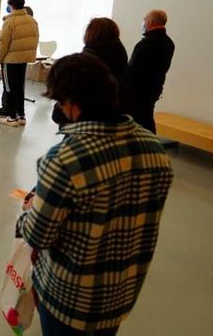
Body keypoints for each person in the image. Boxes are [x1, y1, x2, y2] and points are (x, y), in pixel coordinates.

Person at [15, 53, 173, 335]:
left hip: (70, 299)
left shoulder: (65, 160)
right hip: (121, 294)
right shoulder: (155, 150)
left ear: (72, 103)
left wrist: (28, 210)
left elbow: (38, 236)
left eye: (60, 103)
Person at [52, 17, 128, 126]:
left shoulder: (88, 58)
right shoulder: (121, 54)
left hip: (84, 117)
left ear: (90, 33)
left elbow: (74, 89)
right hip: (113, 113)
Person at [124, 10, 175, 133]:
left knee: (141, 121)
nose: (143, 22)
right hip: (154, 89)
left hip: (138, 91)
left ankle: (147, 145)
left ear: (151, 22)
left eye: (145, 19)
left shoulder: (146, 44)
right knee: (147, 117)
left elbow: (133, 69)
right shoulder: (169, 43)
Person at [0, 0, 39, 126]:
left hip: (10, 60)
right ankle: (21, 116)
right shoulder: (31, 20)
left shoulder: (10, 22)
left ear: (11, 6)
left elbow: (3, 45)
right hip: (23, 60)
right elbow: (34, 39)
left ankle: (12, 117)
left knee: (9, 88)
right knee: (19, 88)